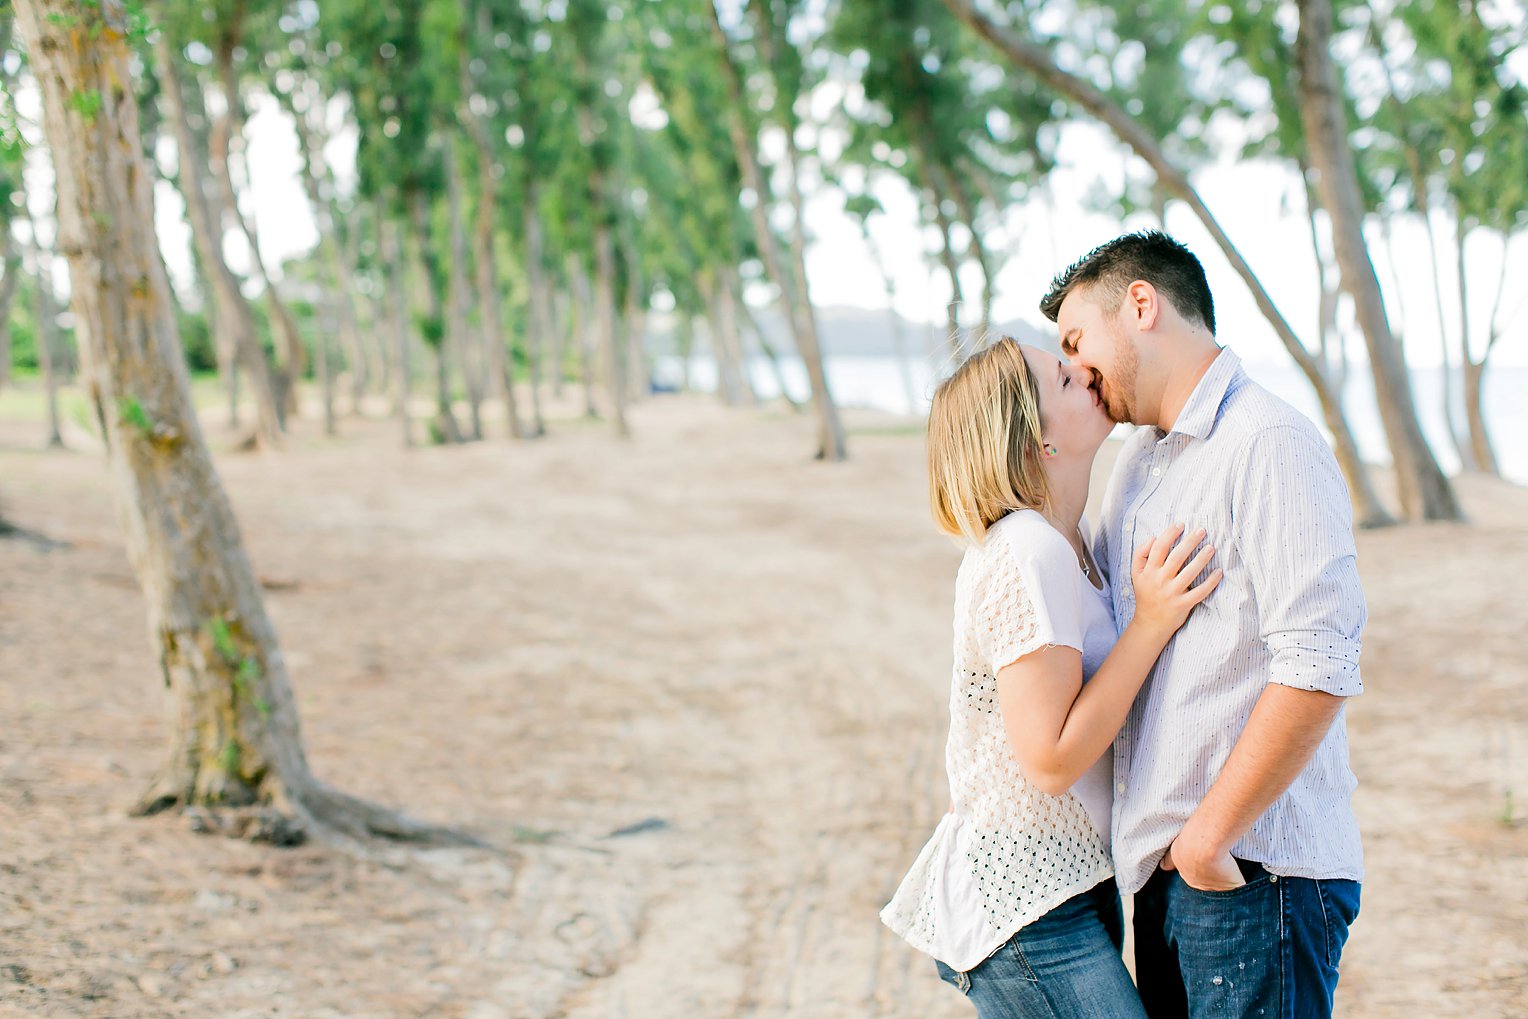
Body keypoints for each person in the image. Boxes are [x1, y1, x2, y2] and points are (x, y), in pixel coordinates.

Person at [1044, 230, 1365, 1018]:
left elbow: (1319, 662)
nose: (1077, 370)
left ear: (1142, 305)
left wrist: (1208, 839)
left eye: (1077, 340)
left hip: (1251, 869)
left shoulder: (1268, 441)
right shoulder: (1137, 466)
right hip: (1165, 872)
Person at [881, 336, 1221, 1017]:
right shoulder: (1026, 550)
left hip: (1070, 882)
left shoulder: (1071, 542)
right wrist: (1150, 623)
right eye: (1064, 381)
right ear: (1038, 440)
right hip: (1023, 905)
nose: (1086, 374)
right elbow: (1051, 757)